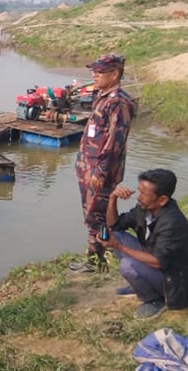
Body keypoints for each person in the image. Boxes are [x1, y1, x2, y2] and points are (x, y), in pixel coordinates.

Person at [98, 169, 188, 319]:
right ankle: (142, 283)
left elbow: (158, 262)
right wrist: (112, 198)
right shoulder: (144, 208)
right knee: (116, 235)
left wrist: (118, 246)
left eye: (143, 193)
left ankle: (154, 299)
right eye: (139, 191)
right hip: (159, 264)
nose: (138, 197)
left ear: (162, 200)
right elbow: (114, 225)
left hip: (177, 282)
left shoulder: (172, 222)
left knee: (128, 265)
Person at [69, 54, 136, 273]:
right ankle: (95, 257)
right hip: (88, 166)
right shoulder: (103, 96)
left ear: (115, 74)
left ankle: (96, 261)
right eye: (93, 72)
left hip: (100, 171)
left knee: (97, 215)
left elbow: (115, 141)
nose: (94, 76)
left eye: (99, 72)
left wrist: (101, 171)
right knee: (90, 214)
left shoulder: (119, 102)